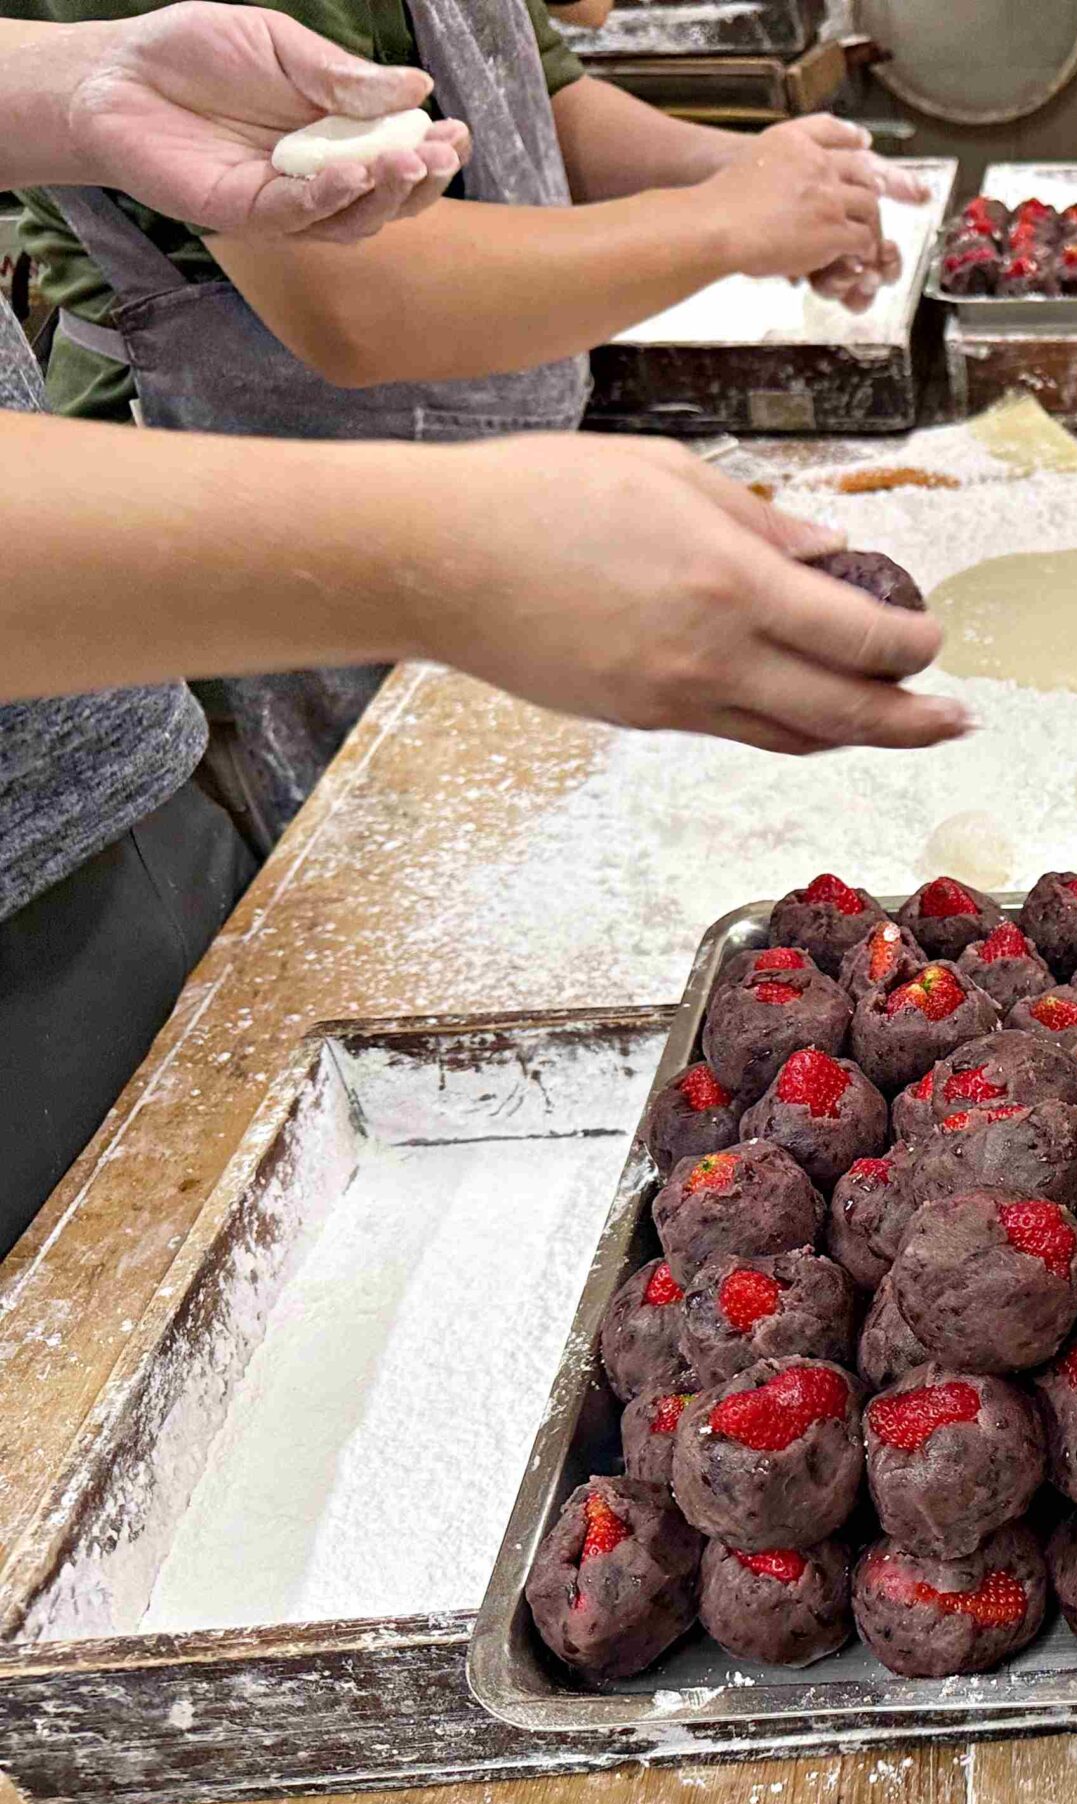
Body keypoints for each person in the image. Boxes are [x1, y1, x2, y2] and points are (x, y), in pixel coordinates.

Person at [0, 7, 964, 1254]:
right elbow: (359, 307)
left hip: (109, 762)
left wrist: (77, 86)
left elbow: (532, 89)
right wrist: (439, 556)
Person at [6, 0, 921, 844]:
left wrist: (751, 181)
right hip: (202, 563)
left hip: (449, 513)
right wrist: (722, 222)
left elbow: (527, 84)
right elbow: (358, 301)